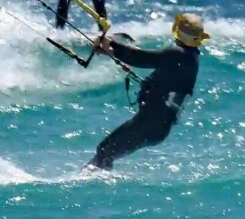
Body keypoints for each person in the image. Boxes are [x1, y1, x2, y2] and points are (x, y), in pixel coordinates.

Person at [87, 12, 209, 170]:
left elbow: (139, 58)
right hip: (157, 126)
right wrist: (109, 50)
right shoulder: (190, 57)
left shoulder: (177, 54)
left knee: (105, 151)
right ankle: (89, 176)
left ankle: (95, 185)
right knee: (106, 152)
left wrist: (111, 44)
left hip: (149, 124)